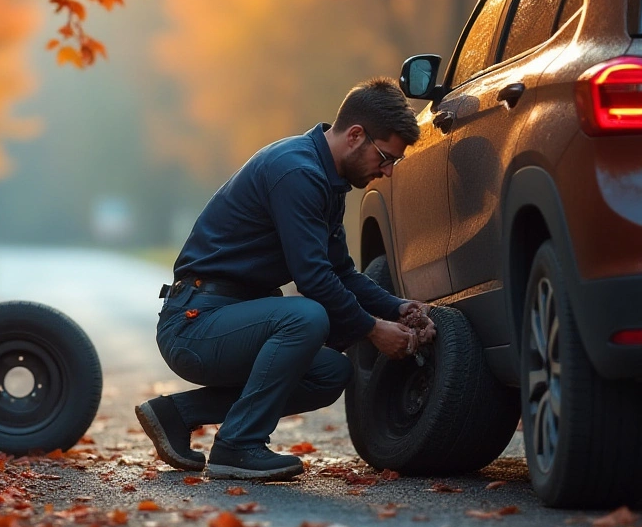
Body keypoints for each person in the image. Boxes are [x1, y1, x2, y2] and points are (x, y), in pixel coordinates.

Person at [137, 78, 436, 481]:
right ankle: (237, 446)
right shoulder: (296, 172)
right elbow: (313, 278)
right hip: (195, 322)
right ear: (355, 135)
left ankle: (178, 414)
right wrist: (372, 328)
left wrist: (397, 307)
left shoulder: (326, 181)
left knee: (331, 373)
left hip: (231, 319)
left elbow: (342, 273)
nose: (386, 171)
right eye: (385, 157)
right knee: (306, 316)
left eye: (393, 162)